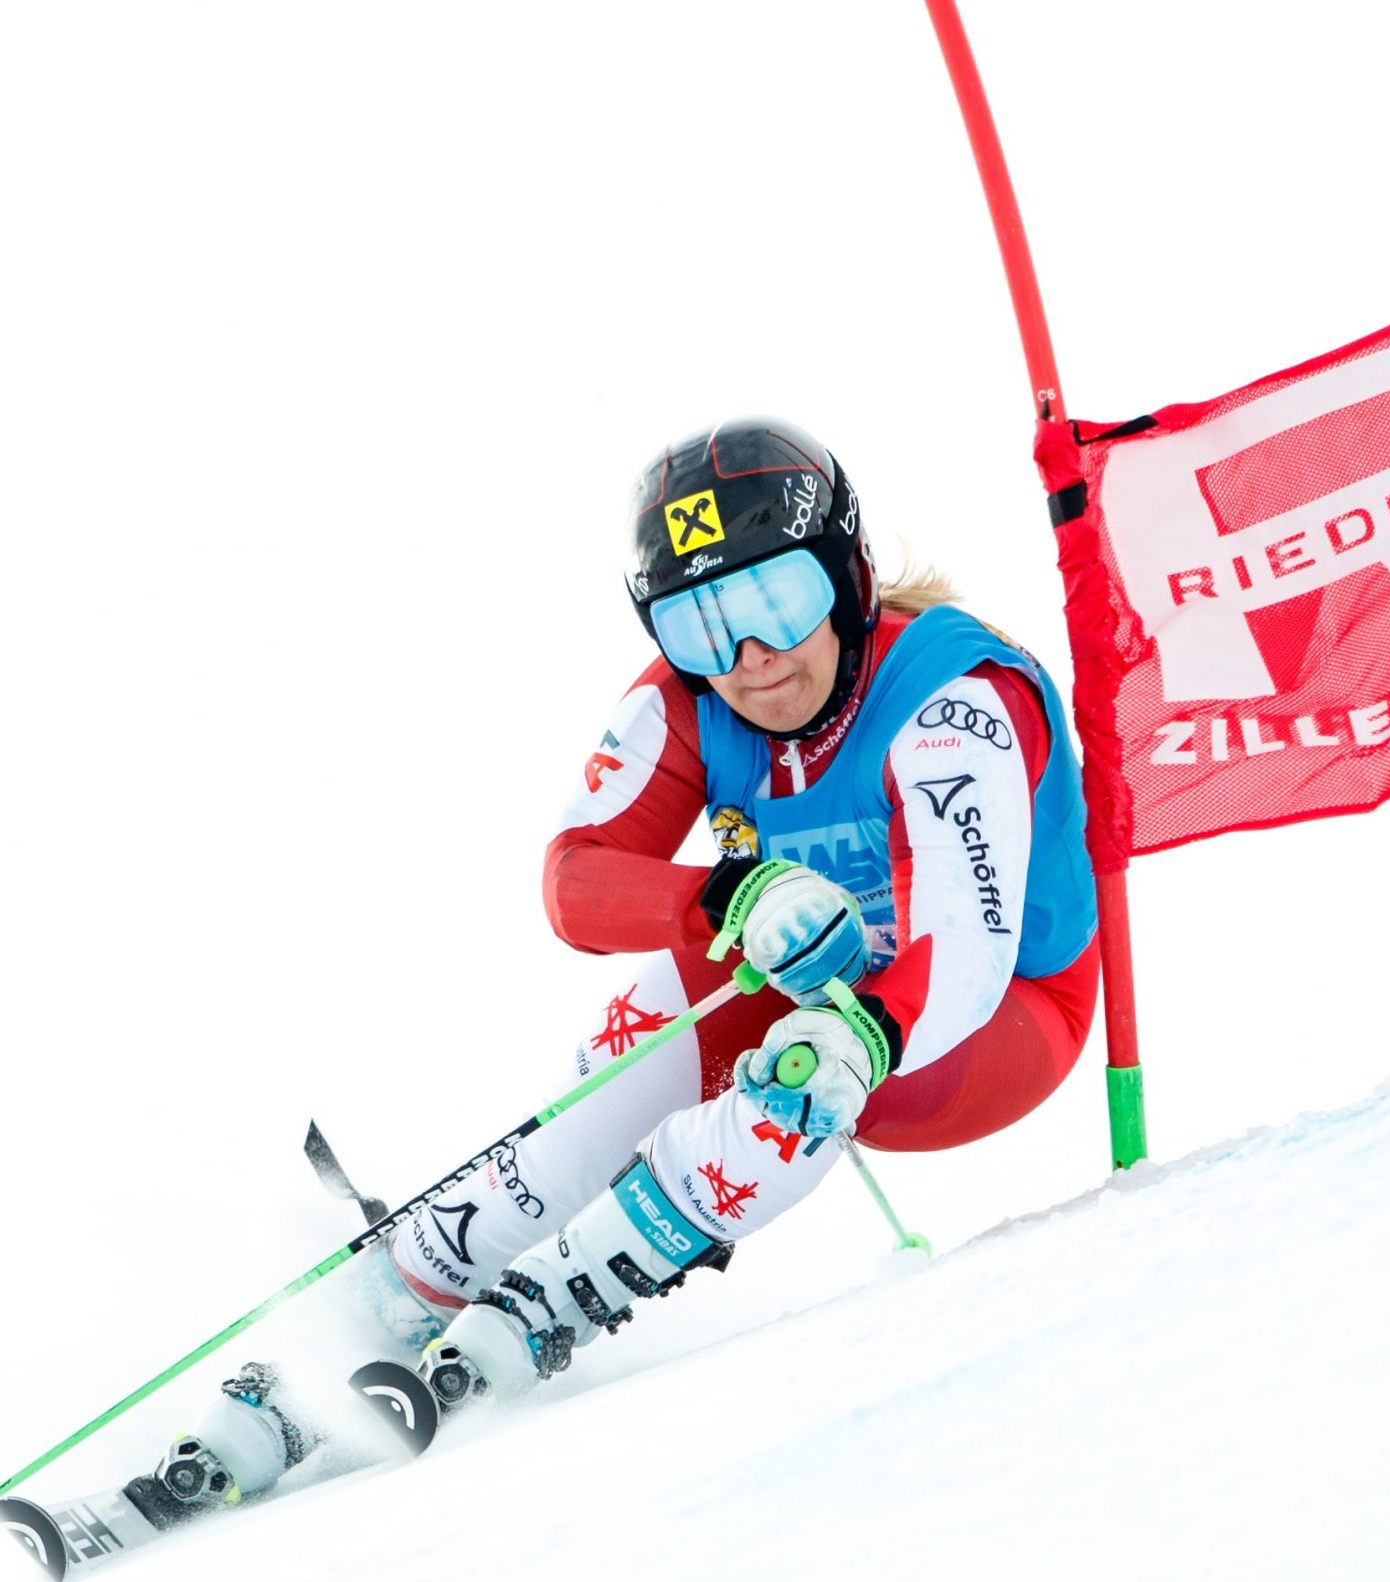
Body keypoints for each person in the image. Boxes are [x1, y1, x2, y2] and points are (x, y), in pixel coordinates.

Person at [137, 418, 1099, 1520]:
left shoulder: (954, 697)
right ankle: (396, 1293)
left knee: (799, 1067)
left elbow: (968, 960)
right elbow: (576, 883)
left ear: (846, 571)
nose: (749, 659)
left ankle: (570, 1285)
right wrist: (726, 895)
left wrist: (862, 1030)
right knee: (633, 1040)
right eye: (700, 624)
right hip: (804, 980)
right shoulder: (687, 700)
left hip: (990, 1027)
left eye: (777, 603)